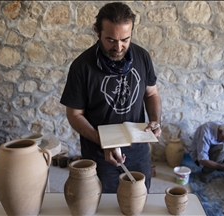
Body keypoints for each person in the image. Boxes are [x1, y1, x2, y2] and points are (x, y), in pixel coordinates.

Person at [60, 2, 161, 193]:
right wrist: (104, 142)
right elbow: (74, 114)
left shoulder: (142, 57)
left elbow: (152, 93)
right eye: (111, 40)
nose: (119, 47)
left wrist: (155, 120)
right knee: (105, 207)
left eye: (125, 39)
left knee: (139, 201)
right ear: (97, 31)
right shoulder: (81, 66)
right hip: (100, 154)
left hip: (138, 151)